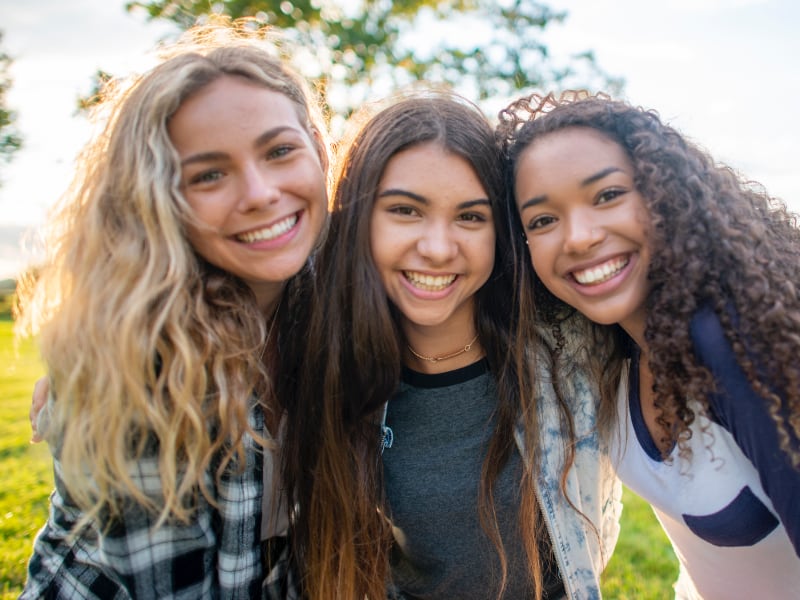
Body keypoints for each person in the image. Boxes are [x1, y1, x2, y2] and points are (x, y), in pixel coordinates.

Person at [16, 20, 329, 599]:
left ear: (316, 146)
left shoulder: (325, 298)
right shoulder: (142, 364)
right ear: (159, 200)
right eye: (209, 174)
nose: (260, 192)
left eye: (280, 150)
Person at [280, 91, 622, 600]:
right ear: (356, 218)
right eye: (405, 210)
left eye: (470, 217)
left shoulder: (570, 345)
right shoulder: (330, 363)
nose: (438, 248)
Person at [498, 90, 800, 599]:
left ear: (665, 194)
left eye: (608, 195)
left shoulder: (735, 337)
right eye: (543, 220)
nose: (577, 237)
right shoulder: (601, 348)